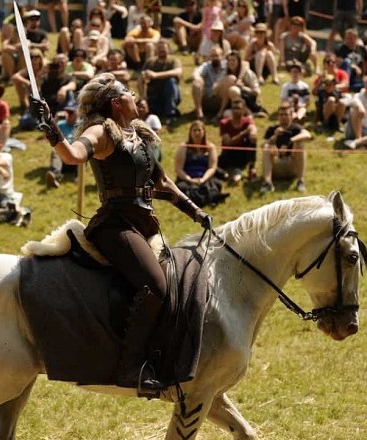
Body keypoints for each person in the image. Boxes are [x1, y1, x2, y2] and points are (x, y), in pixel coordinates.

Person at [31, 73, 211, 396]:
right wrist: (50, 128)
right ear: (116, 102)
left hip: (143, 225)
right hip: (114, 225)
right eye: (128, 91)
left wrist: (195, 212)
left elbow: (163, 184)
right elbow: (72, 156)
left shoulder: (138, 137)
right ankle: (130, 368)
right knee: (156, 286)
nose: (134, 95)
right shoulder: (102, 132)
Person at [259, 102, 310, 194]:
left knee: (300, 145)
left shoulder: (296, 128)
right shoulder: (272, 129)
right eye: (281, 114)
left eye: (286, 114)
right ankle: (267, 183)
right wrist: (274, 136)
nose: (283, 117)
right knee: (267, 147)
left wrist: (291, 141)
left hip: (292, 165)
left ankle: (300, 181)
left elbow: (307, 135)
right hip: (276, 165)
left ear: (291, 115)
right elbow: (262, 145)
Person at [174, 120, 227, 207]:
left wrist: (203, 179)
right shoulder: (183, 147)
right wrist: (190, 179)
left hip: (204, 177)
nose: (197, 133)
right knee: (181, 188)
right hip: (187, 178)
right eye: (194, 130)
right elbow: (178, 169)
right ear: (190, 132)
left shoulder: (211, 147)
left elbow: (212, 167)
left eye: (199, 130)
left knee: (216, 185)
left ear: (204, 132)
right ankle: (208, 198)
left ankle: (206, 197)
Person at [141, 39, 182, 124]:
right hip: (154, 97)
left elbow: (178, 71)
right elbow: (141, 78)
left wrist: (156, 75)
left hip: (170, 96)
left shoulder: (174, 61)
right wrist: (142, 96)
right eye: (159, 48)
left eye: (163, 48)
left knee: (171, 81)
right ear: (156, 49)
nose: (161, 50)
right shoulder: (150, 62)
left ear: (168, 49)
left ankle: (171, 114)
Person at [218, 99, 257, 184]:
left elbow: (253, 129)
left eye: (238, 108)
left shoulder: (247, 121)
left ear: (243, 110)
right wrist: (243, 133)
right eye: (234, 108)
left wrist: (252, 132)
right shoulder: (224, 123)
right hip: (228, 155)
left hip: (243, 155)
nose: (236, 110)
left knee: (252, 139)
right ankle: (228, 175)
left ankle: (252, 169)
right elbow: (228, 143)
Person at [45, 103, 78, 188]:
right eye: (67, 112)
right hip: (62, 159)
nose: (68, 114)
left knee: (82, 149)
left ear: (77, 113)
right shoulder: (60, 124)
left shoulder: (80, 126)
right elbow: (48, 135)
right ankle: (54, 175)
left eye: (71, 112)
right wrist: (55, 119)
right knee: (56, 151)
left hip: (76, 159)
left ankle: (79, 176)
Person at [192, 46, 228, 120]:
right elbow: (196, 73)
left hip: (220, 99)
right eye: (212, 56)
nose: (214, 58)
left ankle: (220, 114)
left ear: (222, 56)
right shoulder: (206, 66)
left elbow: (243, 64)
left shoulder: (227, 66)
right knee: (196, 83)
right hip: (206, 98)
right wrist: (199, 79)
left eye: (217, 56)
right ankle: (200, 114)